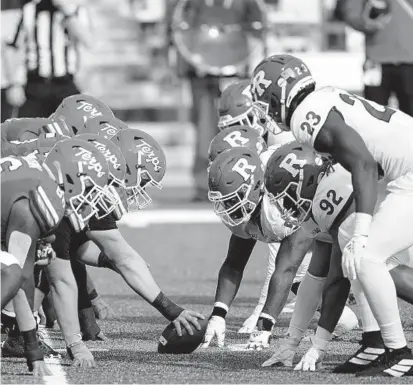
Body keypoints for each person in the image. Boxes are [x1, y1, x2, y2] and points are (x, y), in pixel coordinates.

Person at [251, 53, 413, 376]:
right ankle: (375, 342)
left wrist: (363, 232)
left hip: (408, 171)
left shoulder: (303, 118)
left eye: (267, 103)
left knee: (365, 254)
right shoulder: (320, 99)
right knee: (359, 253)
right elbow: (319, 273)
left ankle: (399, 352)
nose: (268, 113)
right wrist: (297, 340)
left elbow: (364, 165)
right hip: (404, 167)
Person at [263, 142, 413, 376]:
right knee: (362, 261)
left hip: (407, 182)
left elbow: (336, 279)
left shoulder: (333, 192)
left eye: (289, 195)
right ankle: (373, 342)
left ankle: (384, 346)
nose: (287, 205)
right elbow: (316, 274)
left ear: (311, 181)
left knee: (367, 262)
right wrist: (291, 341)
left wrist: (318, 345)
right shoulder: (325, 188)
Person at [163, 0, 267, 201]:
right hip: (200, 69)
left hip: (236, 68)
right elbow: (180, 24)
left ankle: (240, 179)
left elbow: (258, 25)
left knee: (238, 125)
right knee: (204, 128)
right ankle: (203, 183)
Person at [6, 0, 94, 118]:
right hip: (35, 85)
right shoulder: (29, 10)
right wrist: (14, 84)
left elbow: (88, 41)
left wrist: (67, 13)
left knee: (73, 131)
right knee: (27, 132)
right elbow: (12, 48)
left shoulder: (76, 10)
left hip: (65, 85)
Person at [341, 0, 413, 116]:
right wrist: (368, 23)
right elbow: (351, 12)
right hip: (375, 60)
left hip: (409, 60)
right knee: (373, 114)